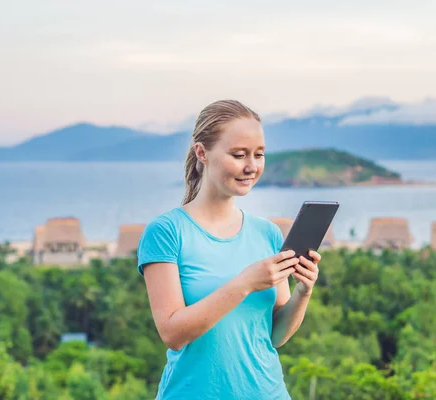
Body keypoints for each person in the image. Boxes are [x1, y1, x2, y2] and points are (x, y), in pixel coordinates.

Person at [137, 100, 321, 399]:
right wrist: (245, 283)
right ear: (202, 153)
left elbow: (274, 336)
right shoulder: (167, 232)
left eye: (259, 155)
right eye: (239, 155)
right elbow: (172, 334)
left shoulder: (267, 233)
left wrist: (304, 291)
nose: (252, 166)